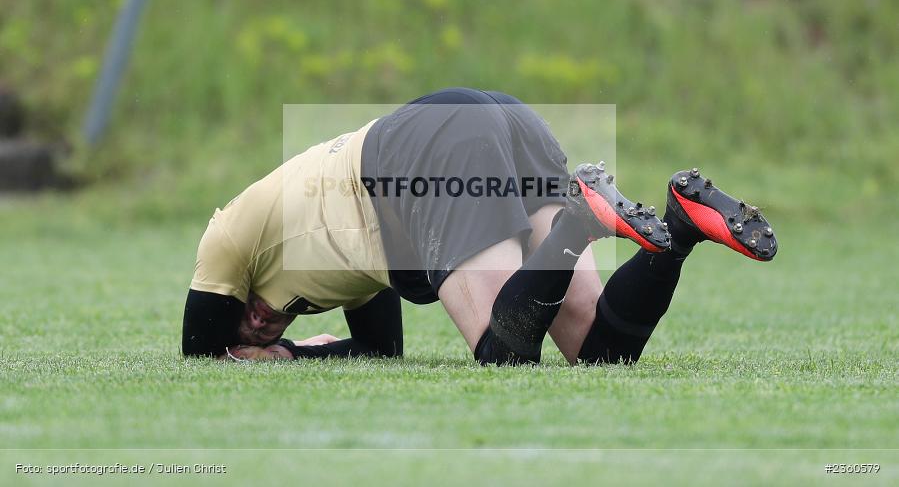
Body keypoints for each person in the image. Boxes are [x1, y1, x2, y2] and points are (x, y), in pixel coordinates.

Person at [181, 88, 777, 365]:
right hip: (500, 122)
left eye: (241, 313)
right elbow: (379, 348)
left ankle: (576, 223)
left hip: (426, 146)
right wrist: (291, 351)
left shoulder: (230, 235)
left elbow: (199, 349)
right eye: (253, 333)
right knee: (599, 350)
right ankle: (680, 227)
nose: (251, 323)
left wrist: (257, 351)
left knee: (503, 352)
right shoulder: (334, 269)